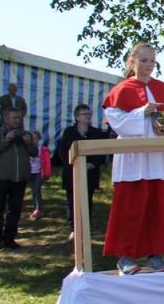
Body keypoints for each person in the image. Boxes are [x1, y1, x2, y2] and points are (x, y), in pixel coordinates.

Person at [101, 42, 164, 275]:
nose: (148, 65)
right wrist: (141, 112)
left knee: (158, 206)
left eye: (152, 61)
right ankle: (125, 256)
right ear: (132, 61)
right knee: (130, 207)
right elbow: (117, 122)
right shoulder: (122, 90)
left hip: (159, 157)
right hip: (134, 158)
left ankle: (155, 254)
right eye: (143, 60)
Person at [0, 107, 37, 250]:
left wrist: (29, 143)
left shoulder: (26, 134)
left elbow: (34, 153)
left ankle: (9, 239)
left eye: (19, 117)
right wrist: (5, 140)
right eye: (14, 117)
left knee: (15, 210)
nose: (17, 120)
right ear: (6, 118)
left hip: (20, 178)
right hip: (1, 177)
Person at [56, 103, 108, 241]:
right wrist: (72, 164)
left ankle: (85, 228)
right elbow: (62, 151)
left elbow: (101, 152)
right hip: (72, 172)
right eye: (84, 114)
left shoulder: (96, 133)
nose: (88, 116)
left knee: (87, 201)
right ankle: (74, 228)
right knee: (72, 201)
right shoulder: (69, 132)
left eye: (89, 114)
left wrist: (93, 164)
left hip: (90, 173)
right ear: (77, 117)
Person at [27, 131, 51, 220]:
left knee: (37, 190)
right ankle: (35, 207)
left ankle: (38, 209)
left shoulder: (43, 149)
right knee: (33, 190)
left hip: (39, 173)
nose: (33, 140)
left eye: (35, 138)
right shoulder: (27, 149)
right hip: (29, 173)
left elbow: (47, 163)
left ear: (39, 139)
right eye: (31, 139)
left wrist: (47, 173)